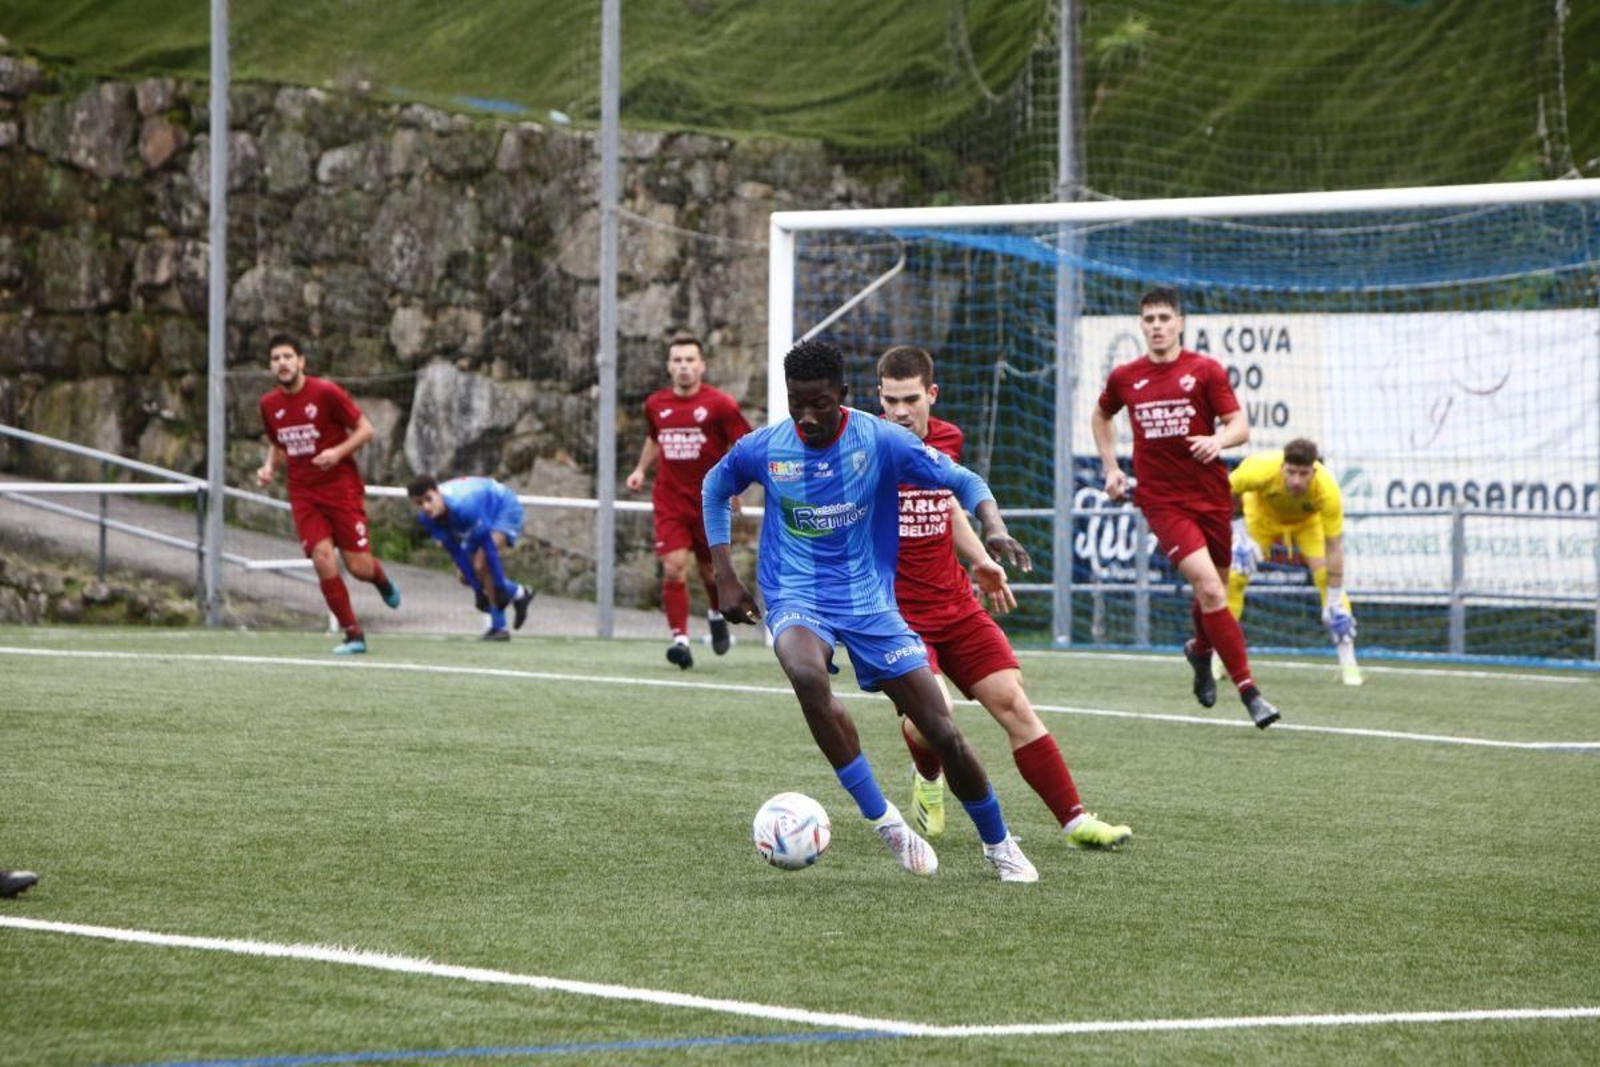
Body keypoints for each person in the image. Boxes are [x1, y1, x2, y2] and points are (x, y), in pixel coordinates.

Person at [703, 338, 1040, 882]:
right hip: (796, 594)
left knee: (942, 730)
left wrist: (993, 526)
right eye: (796, 404)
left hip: (869, 602)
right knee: (807, 677)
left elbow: (965, 480)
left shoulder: (880, 438)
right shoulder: (766, 448)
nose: (807, 418)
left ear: (844, 394)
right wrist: (725, 577)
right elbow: (714, 485)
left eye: (819, 403)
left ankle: (999, 844)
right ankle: (885, 821)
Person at [876, 345, 1132, 848]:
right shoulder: (865, 446)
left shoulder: (948, 439)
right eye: (889, 401)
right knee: (934, 719)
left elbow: (946, 502)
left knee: (1013, 703)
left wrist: (980, 559)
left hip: (955, 603)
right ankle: (928, 778)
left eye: (909, 399)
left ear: (931, 394)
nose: (900, 411)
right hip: (893, 615)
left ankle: (1076, 822)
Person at [1090, 288, 1282, 728]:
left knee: (1213, 586)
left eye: (1164, 318)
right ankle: (1250, 692)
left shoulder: (1205, 371)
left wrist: (1217, 440)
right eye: (1149, 319)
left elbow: (1240, 425)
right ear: (1141, 325)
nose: (1156, 326)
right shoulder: (1126, 377)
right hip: (1162, 502)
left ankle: (1199, 650)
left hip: (1212, 497)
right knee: (1212, 590)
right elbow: (1101, 417)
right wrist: (1110, 468)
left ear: (1180, 323)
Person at [257, 333, 400, 655]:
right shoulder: (268, 405)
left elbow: (366, 430)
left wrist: (336, 453)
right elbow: (278, 444)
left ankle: (382, 581)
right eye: (276, 358)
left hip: (341, 489)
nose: (282, 363)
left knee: (359, 567)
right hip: (303, 493)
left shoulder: (325, 392)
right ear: (271, 366)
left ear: (301, 361)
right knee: (322, 558)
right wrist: (269, 468)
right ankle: (353, 635)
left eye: (287, 357)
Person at [626, 330, 753, 669]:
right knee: (673, 568)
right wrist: (640, 469)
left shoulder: (721, 405)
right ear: (669, 366)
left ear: (702, 366)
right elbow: (655, 440)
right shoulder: (655, 405)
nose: (683, 366)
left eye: (690, 360)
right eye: (678, 360)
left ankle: (715, 614)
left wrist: (737, 487)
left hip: (709, 501)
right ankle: (679, 640)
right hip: (669, 499)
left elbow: (743, 447)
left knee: (711, 572)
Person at [1227, 439, 1363, 685]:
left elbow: (1334, 547)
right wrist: (1239, 535)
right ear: (1282, 468)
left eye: (1304, 474)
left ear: (1315, 470)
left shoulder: (1328, 489)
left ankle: (1349, 663)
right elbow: (1225, 489)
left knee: (1328, 583)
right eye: (1291, 472)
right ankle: (1219, 655)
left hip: (1306, 525)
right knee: (1236, 576)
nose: (1297, 481)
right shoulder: (1260, 468)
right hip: (1261, 520)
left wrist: (1333, 600)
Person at [407, 474, 537, 641]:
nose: (426, 506)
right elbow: (456, 552)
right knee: (464, 576)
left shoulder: (463, 506)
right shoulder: (427, 519)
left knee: (482, 565)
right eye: (419, 503)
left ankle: (499, 628)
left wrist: (498, 584)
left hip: (503, 507)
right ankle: (519, 593)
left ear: (438, 493)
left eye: (428, 499)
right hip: (482, 511)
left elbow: (489, 548)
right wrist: (477, 590)